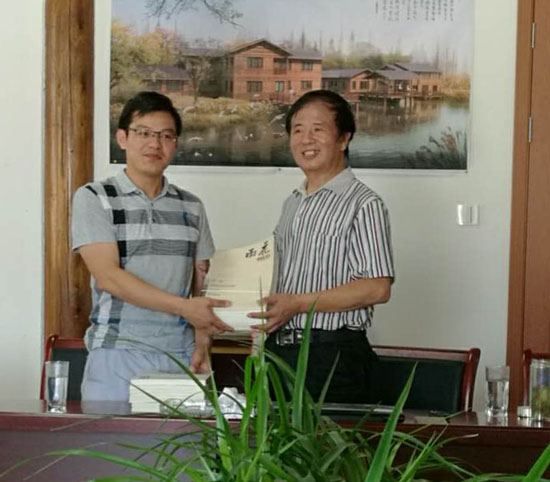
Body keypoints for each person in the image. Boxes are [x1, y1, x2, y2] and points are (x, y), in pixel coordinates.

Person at [72, 91, 232, 402]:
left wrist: (202, 343)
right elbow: (109, 277)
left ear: (175, 144)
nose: (155, 144)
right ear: (122, 138)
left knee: (185, 438)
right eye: (143, 133)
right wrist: (183, 308)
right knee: (107, 435)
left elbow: (201, 285)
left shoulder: (192, 206)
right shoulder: (95, 197)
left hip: (181, 355)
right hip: (117, 354)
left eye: (165, 136)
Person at [248, 90, 394, 403]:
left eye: (318, 129)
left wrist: (297, 304)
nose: (306, 140)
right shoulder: (292, 203)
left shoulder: (364, 204)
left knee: (330, 437)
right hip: (279, 353)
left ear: (343, 139)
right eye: (298, 130)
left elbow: (377, 288)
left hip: (332, 358)